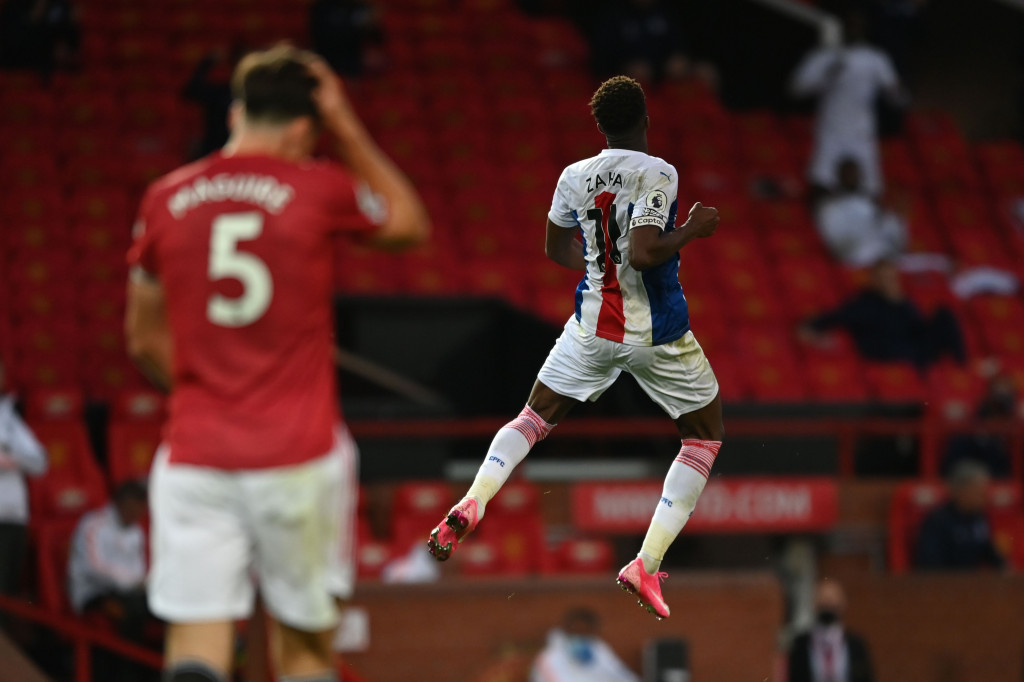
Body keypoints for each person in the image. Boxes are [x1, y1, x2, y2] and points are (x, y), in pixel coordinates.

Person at [125, 45, 429, 682]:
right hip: (300, 456)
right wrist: (345, 126)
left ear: (236, 112)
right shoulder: (317, 186)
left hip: (197, 454)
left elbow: (142, 338)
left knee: (194, 647)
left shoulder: (164, 198)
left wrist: (204, 389)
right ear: (303, 126)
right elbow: (407, 223)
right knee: (304, 652)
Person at [427, 76, 723, 621]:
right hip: (658, 334)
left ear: (601, 126)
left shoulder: (573, 175)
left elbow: (553, 245)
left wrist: (595, 269)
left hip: (592, 326)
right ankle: (646, 562)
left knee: (533, 418)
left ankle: (474, 497)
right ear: (645, 121)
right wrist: (691, 230)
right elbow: (644, 251)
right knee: (703, 438)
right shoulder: (658, 172)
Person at [791, 11, 902, 199]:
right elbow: (796, 88)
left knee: (870, 189)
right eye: (850, 25)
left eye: (858, 26)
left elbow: (898, 97)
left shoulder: (875, 59)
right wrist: (828, 73)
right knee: (822, 185)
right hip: (831, 131)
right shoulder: (824, 56)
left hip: (861, 133)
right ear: (842, 27)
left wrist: (895, 91)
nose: (854, 30)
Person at [798, 260, 966, 371]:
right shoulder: (861, 304)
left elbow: (917, 327)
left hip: (914, 347)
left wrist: (899, 301)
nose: (889, 281)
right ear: (874, 280)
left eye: (892, 277)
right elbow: (821, 322)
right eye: (884, 278)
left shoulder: (903, 302)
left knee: (945, 314)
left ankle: (963, 368)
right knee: (916, 355)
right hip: (886, 352)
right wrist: (819, 339)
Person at [68, 481, 149, 632]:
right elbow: (93, 568)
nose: (135, 513)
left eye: (140, 508)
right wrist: (132, 581)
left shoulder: (137, 532)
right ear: (119, 502)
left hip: (127, 592)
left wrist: (140, 582)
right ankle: (122, 655)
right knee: (130, 610)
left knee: (158, 606)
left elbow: (138, 569)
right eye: (131, 507)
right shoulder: (93, 524)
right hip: (93, 593)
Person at [0, 358, 47, 609]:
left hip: (12, 514)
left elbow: (39, 461)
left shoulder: (7, 416)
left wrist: (9, 457)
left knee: (6, 592)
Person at [815, 157, 907, 267]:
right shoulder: (830, 206)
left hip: (883, 254)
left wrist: (884, 215)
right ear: (840, 176)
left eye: (855, 173)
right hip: (853, 255)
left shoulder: (871, 202)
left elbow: (892, 230)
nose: (852, 177)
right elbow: (834, 242)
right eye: (848, 173)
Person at [915, 460, 1007, 570]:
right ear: (961, 490)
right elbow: (930, 564)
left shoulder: (979, 517)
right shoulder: (937, 521)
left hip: (973, 583)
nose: (983, 497)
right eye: (978, 491)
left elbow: (992, 554)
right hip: (944, 583)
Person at [788, 580, 875, 682]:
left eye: (832, 601)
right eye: (823, 602)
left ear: (842, 604)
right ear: (814, 604)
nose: (828, 604)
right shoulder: (801, 643)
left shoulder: (856, 644)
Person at [587, 0, 692, 83]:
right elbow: (601, 61)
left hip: (667, 82)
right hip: (626, 86)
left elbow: (680, 48)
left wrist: (680, 61)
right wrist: (624, 69)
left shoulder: (668, 11)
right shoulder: (612, 14)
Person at [531, 607, 639, 682]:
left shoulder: (599, 650)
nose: (580, 638)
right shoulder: (547, 658)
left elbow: (621, 675)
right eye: (576, 632)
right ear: (567, 631)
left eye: (584, 633)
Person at [942, 373, 1018, 478]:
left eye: (1002, 416)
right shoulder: (965, 438)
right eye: (994, 414)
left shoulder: (1012, 440)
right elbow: (951, 471)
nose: (999, 422)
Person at [309, 0, 383, 78]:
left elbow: (376, 38)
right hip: (327, 59)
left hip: (354, 63)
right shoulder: (321, 8)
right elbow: (323, 36)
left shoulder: (360, 7)